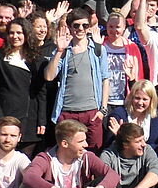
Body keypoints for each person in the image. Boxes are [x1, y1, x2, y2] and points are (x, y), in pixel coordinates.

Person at [44, 8, 110, 150]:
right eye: (76, 25)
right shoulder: (63, 50)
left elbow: (106, 79)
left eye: (85, 25)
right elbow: (49, 76)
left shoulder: (98, 49)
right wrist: (59, 51)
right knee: (66, 152)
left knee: (93, 153)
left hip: (92, 112)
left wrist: (102, 110)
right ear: (69, 27)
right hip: (67, 111)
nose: (80, 29)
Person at [0, 18, 48, 156]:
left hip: (30, 120)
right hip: (6, 117)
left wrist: (41, 119)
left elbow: (41, 91)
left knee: (25, 165)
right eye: (11, 33)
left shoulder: (36, 58)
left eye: (19, 32)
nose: (15, 36)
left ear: (27, 34)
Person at [106, 79, 158, 149]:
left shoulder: (154, 115)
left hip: (146, 155)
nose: (140, 103)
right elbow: (108, 144)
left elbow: (154, 144)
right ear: (131, 97)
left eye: (144, 99)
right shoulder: (118, 115)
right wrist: (119, 137)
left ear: (151, 100)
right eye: (137, 98)